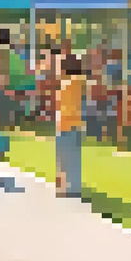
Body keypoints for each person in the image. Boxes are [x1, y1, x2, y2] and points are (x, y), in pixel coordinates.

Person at [55, 53, 87, 198]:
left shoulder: (74, 81)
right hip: (65, 124)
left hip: (69, 124)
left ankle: (72, 188)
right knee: (65, 157)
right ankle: (67, 184)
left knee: (70, 157)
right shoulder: (67, 82)